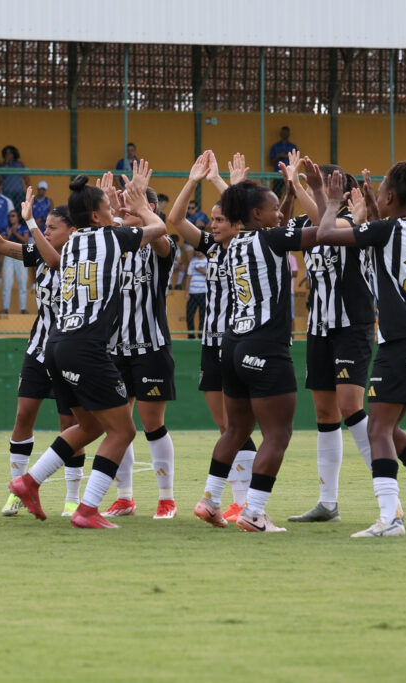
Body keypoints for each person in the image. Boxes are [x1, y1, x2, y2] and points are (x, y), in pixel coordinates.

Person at [7, 161, 168, 529]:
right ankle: (87, 509)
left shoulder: (73, 242)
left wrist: (110, 207)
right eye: (108, 208)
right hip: (86, 347)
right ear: (96, 215)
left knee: (91, 426)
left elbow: (59, 252)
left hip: (57, 344)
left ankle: (28, 481)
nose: (114, 212)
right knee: (124, 431)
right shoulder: (114, 237)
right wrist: (139, 203)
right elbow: (158, 228)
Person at [314, 162, 406, 538]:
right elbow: (388, 232)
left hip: (403, 339)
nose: (375, 196)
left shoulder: (385, 229)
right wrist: (375, 205)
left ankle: (389, 517)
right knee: (389, 427)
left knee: (377, 427)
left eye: (380, 191)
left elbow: (325, 233)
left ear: (391, 197)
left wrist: (332, 202)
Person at [195, 169, 323, 533]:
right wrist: (316, 190)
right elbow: (323, 231)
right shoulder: (272, 240)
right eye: (273, 209)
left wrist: (286, 198)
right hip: (266, 346)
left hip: (233, 346)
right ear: (255, 214)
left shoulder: (233, 243)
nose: (279, 214)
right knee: (277, 434)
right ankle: (253, 512)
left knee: (235, 430)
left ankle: (210, 500)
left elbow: (279, 229)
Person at [0, 184, 85, 517]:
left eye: (53, 227)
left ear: (73, 231)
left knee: (70, 423)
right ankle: (17, 491)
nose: (47, 232)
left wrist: (32, 225)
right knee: (23, 415)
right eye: (45, 226)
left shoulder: (81, 257)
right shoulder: (38, 252)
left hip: (71, 351)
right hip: (39, 349)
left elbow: (56, 262)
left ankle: (72, 498)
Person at [280, 156, 376, 525]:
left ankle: (387, 491)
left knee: (351, 406)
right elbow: (280, 229)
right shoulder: (306, 223)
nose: (319, 189)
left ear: (347, 193)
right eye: (318, 183)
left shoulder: (353, 220)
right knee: (325, 414)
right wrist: (292, 188)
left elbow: (328, 223)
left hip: (352, 325)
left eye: (328, 184)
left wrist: (307, 187)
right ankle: (327, 503)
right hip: (319, 327)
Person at [171, 151, 256, 523]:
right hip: (211, 345)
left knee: (239, 425)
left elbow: (252, 219)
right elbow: (176, 220)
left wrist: (227, 185)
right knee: (226, 426)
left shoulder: (250, 246)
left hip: (238, 344)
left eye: (220, 219)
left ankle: (243, 501)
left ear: (236, 223)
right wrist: (193, 181)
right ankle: (236, 501)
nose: (212, 224)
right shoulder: (211, 247)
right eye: (212, 219)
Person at [100, 181, 177, 521]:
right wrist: (109, 211)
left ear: (149, 209)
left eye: (130, 204)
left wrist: (142, 210)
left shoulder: (160, 245)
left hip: (150, 346)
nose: (123, 210)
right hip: (113, 349)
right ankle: (124, 498)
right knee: (118, 426)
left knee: (152, 425)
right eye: (121, 204)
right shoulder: (113, 244)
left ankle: (166, 499)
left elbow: (161, 240)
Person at [0, 209, 30, 314]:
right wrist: (8, 235)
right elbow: (2, 242)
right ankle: (5, 308)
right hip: (9, 255)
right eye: (10, 216)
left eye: (13, 216)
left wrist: (15, 233)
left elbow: (26, 241)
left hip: (21, 255)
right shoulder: (6, 228)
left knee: (23, 282)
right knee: (7, 283)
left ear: (18, 218)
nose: (11, 218)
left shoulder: (23, 228)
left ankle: (23, 308)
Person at [268, 126, 297, 197]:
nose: (285, 134)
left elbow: (297, 160)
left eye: (286, 133)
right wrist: (279, 156)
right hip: (278, 174)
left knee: (292, 194)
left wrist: (288, 157)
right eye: (283, 133)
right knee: (276, 194)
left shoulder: (293, 147)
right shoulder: (275, 146)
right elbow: (271, 161)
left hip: (290, 173)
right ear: (281, 134)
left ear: (289, 134)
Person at [185, 246, 207, 338]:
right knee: (189, 316)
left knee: (203, 316)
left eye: (200, 249)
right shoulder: (192, 261)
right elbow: (188, 277)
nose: (198, 251)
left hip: (204, 292)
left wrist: (202, 270)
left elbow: (211, 274)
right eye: (196, 250)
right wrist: (187, 292)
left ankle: (201, 336)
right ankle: (191, 336)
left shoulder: (208, 260)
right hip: (192, 293)